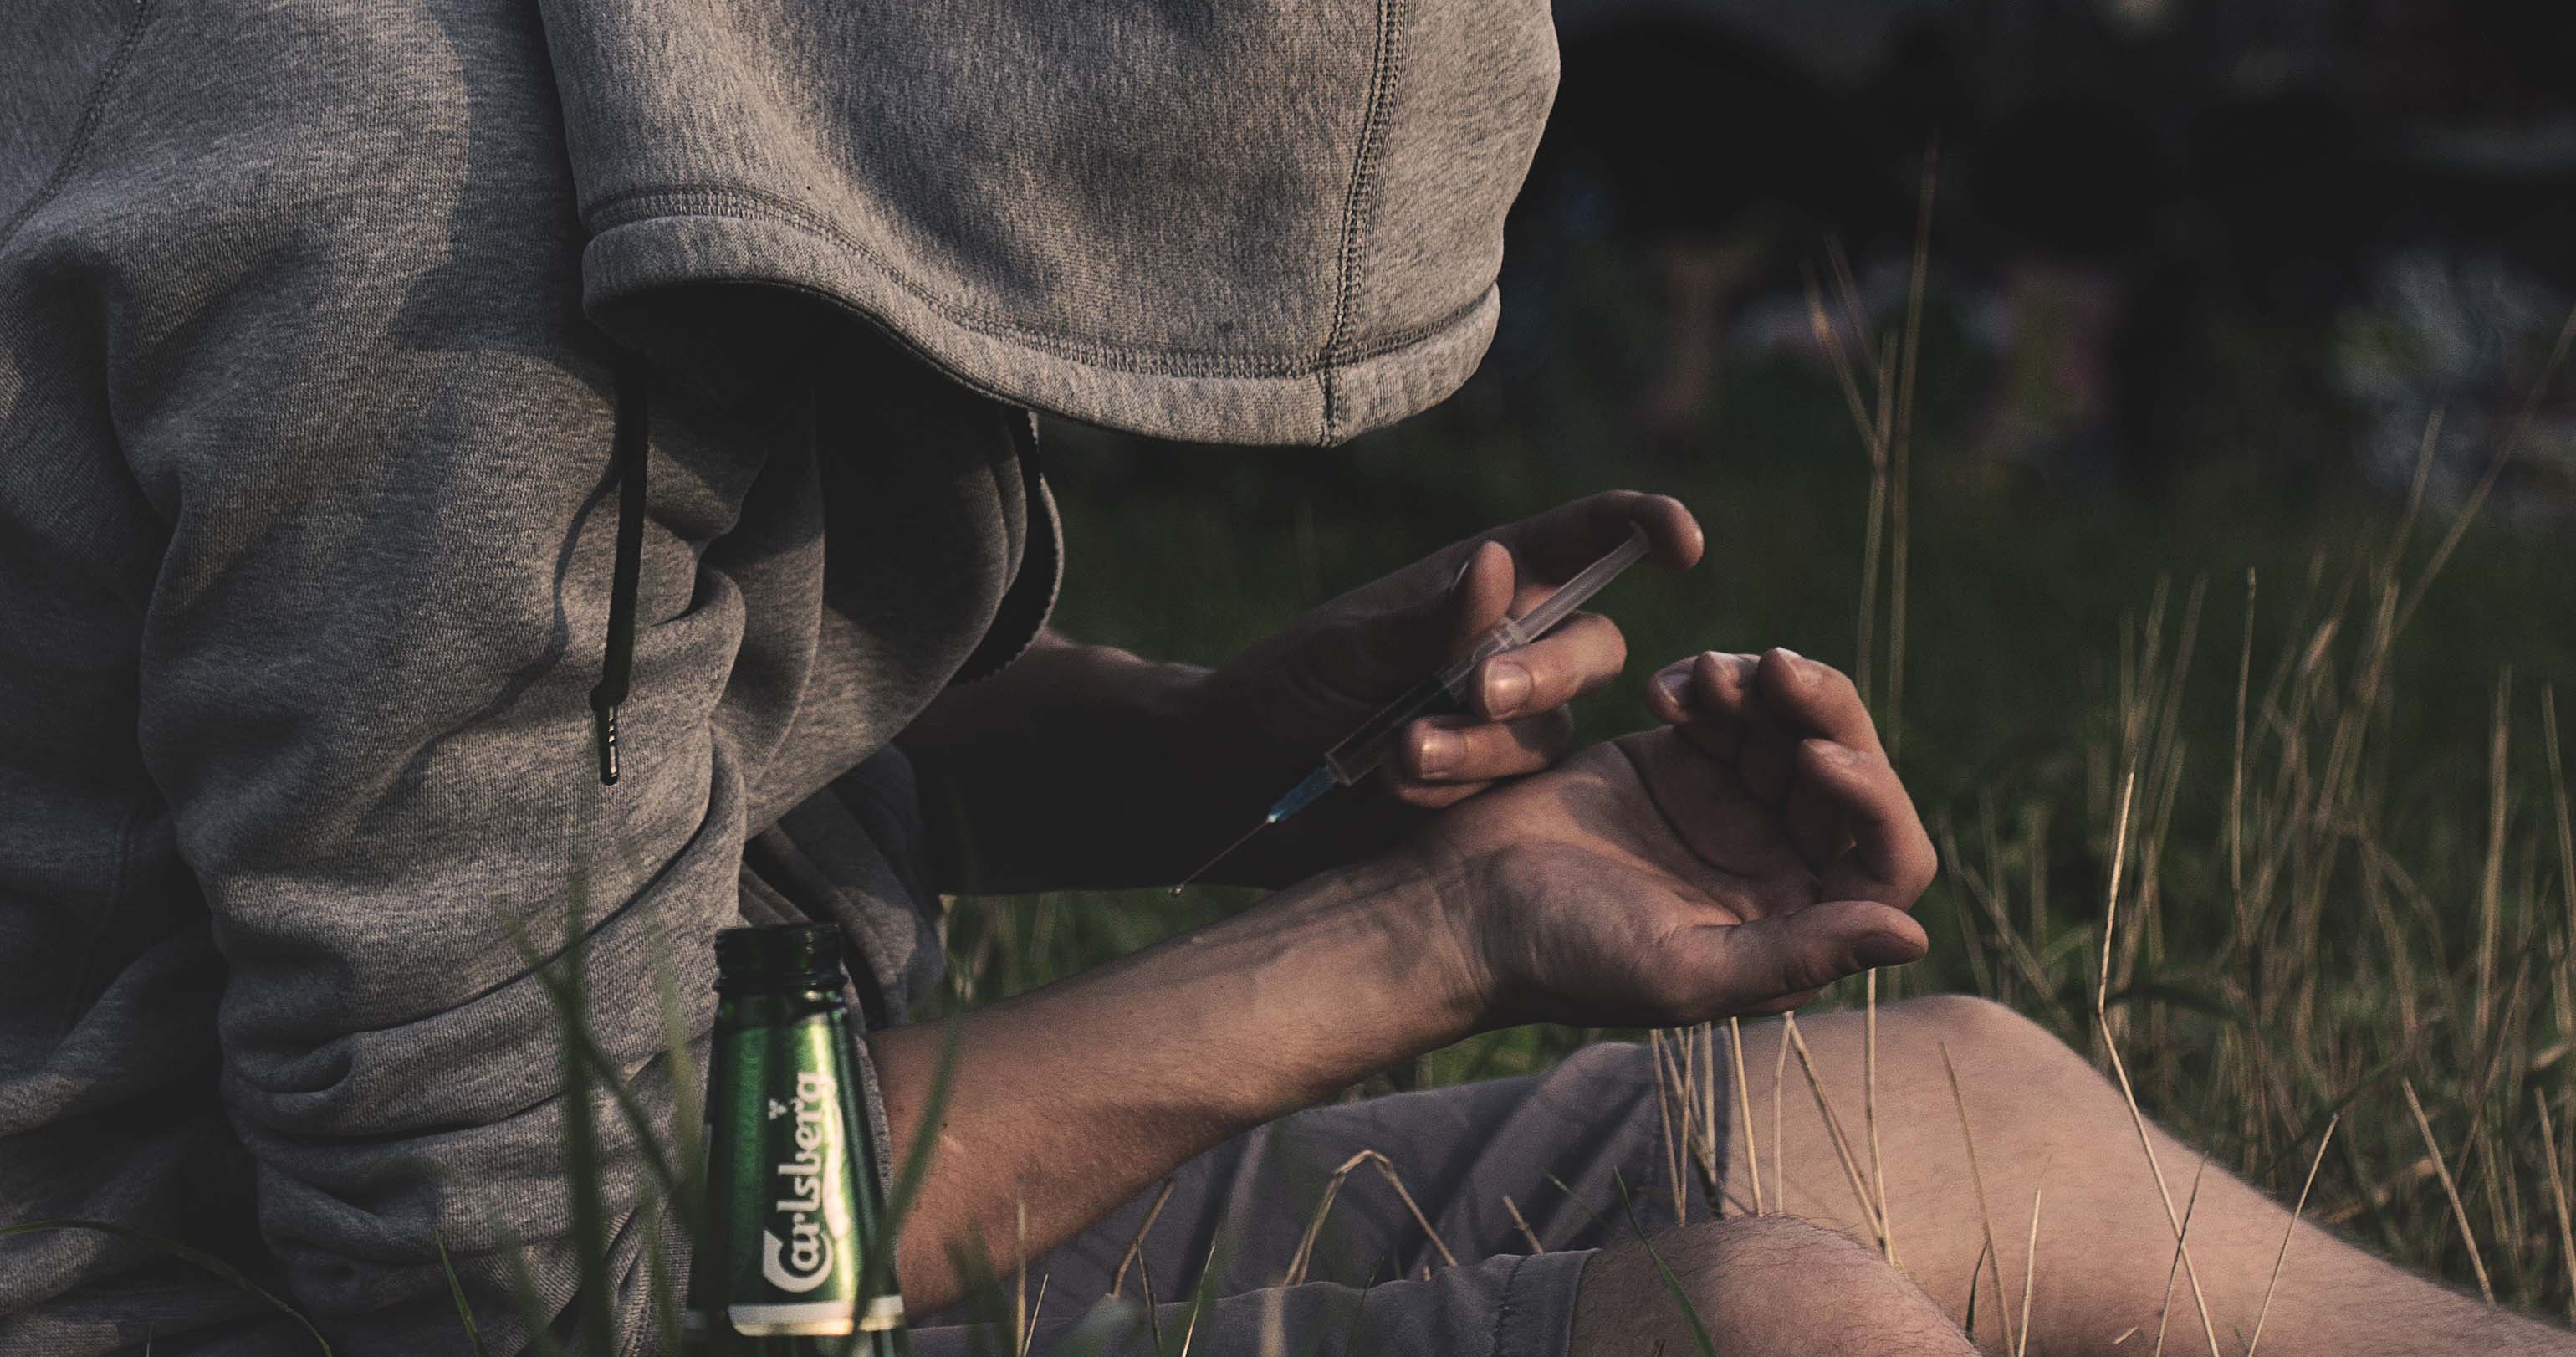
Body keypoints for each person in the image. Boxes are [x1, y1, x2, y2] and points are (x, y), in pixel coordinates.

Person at [2, 4, 2567, 1357]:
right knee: (1774, 1332)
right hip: (284, 1313)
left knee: (1985, 1125)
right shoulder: (417, 251)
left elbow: (540, 747)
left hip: (618, 1226)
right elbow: (535, 1269)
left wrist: (1222, 756)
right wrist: (1425, 943)